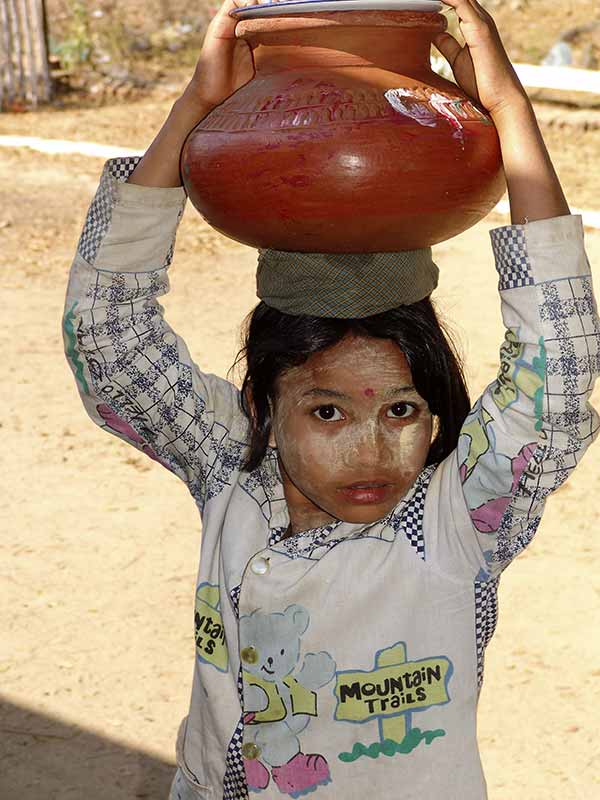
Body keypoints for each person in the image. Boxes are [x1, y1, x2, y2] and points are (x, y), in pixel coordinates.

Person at [63, 1, 600, 798]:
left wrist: (509, 109)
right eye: (326, 413)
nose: (372, 452)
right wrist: (195, 106)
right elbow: (107, 337)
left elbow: (558, 371)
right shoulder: (231, 472)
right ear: (261, 409)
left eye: (402, 411)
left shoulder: (458, 521)